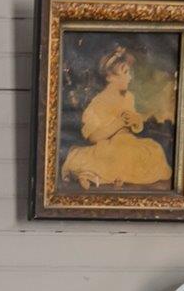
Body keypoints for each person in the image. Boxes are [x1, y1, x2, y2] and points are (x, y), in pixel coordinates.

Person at [61, 45, 173, 190]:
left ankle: (115, 176)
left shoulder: (129, 97)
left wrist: (135, 122)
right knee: (118, 155)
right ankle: (90, 175)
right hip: (109, 145)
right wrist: (118, 123)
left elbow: (135, 123)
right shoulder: (99, 102)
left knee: (154, 149)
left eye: (129, 72)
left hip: (128, 141)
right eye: (125, 73)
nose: (130, 77)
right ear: (109, 77)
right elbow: (93, 137)